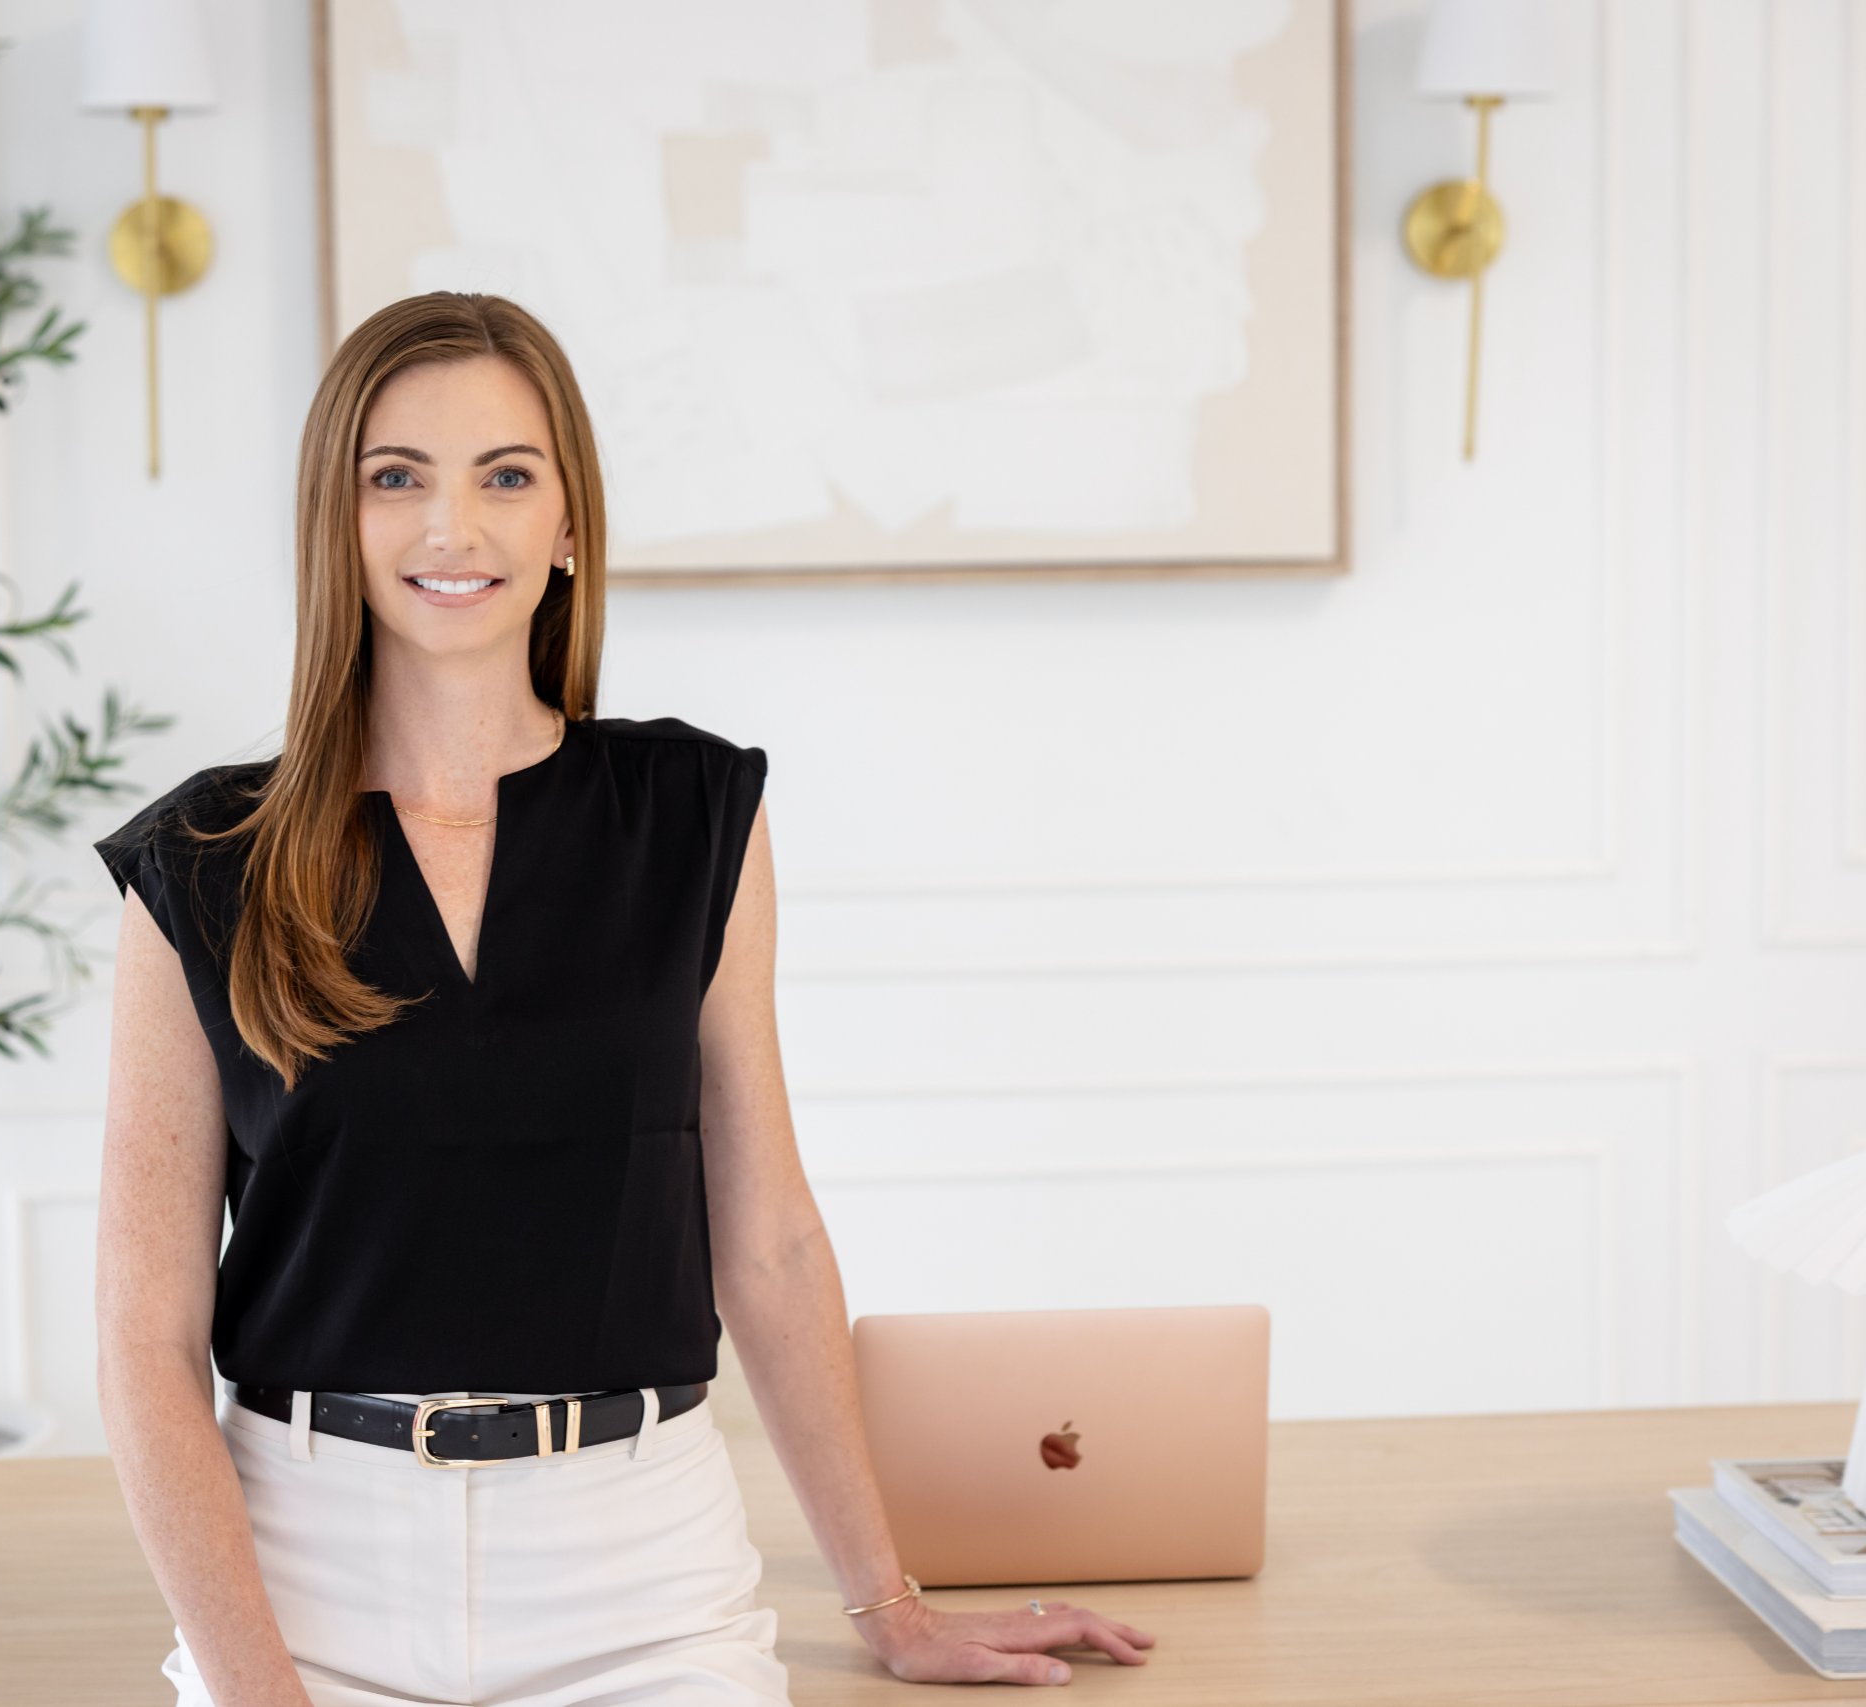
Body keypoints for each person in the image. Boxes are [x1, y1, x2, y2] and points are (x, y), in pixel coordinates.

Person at [92, 291, 1155, 1706]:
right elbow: (144, 1343)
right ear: (333, 522)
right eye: (394, 477)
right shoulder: (198, 862)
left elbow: (767, 1244)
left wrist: (891, 1606)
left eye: (506, 476)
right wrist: (258, 1689)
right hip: (306, 1578)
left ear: (570, 528)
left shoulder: (694, 813)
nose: (450, 529)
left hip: (640, 1581)